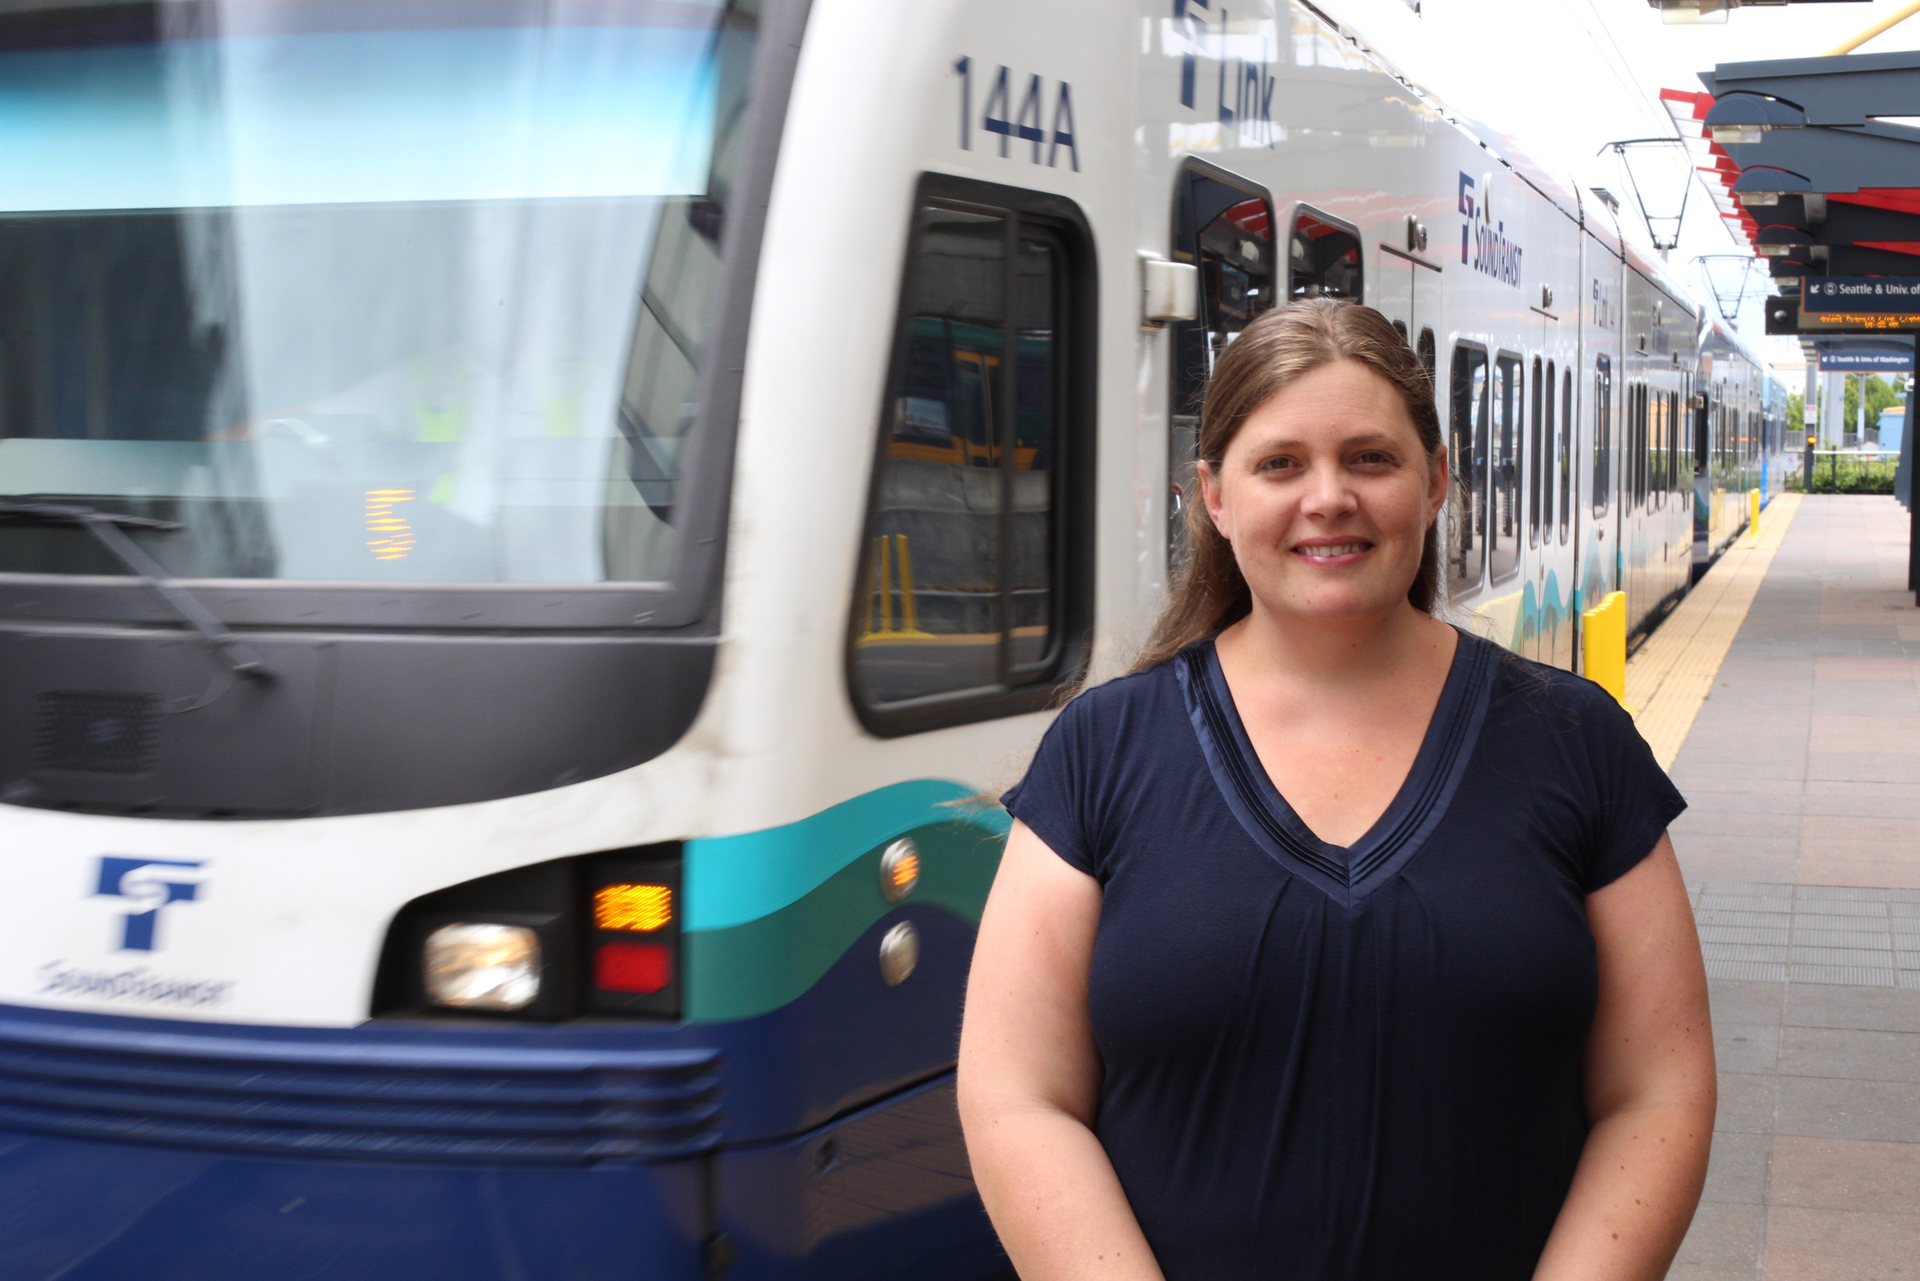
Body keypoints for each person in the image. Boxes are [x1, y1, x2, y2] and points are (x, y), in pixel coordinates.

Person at [956, 299, 1714, 1281]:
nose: (1328, 498)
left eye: (1370, 459)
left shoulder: (1576, 744)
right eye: (1281, 464)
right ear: (1214, 497)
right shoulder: (1103, 751)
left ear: (1436, 481)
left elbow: (1658, 1091)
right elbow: (1018, 1095)